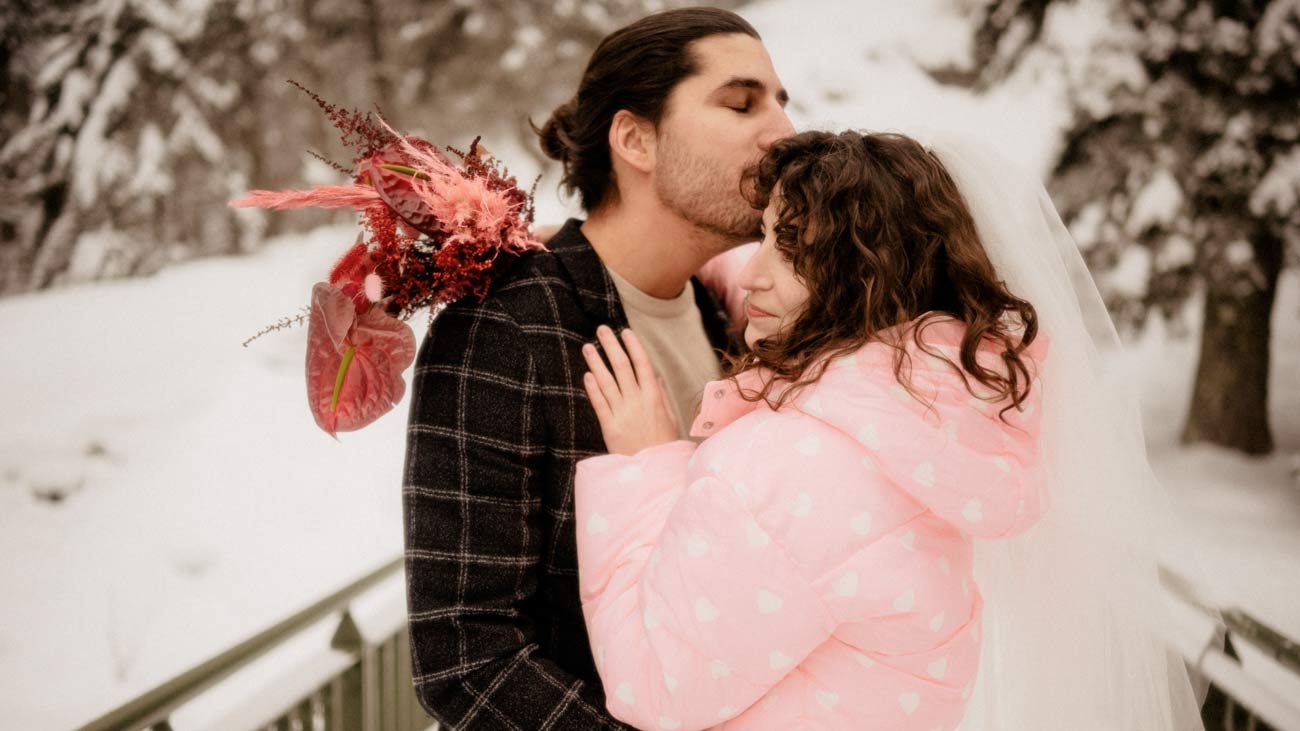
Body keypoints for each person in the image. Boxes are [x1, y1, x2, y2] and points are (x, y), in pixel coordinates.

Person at [573, 131, 1207, 730]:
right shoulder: (924, 425)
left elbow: (652, 685)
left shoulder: (793, 462)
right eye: (764, 238)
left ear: (864, 274)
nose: (750, 275)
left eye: (792, 249)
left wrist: (648, 467)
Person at [400, 7, 794, 730]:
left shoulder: (728, 319)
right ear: (635, 139)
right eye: (741, 104)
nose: (783, 132)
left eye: (780, 103)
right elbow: (466, 658)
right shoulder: (504, 329)